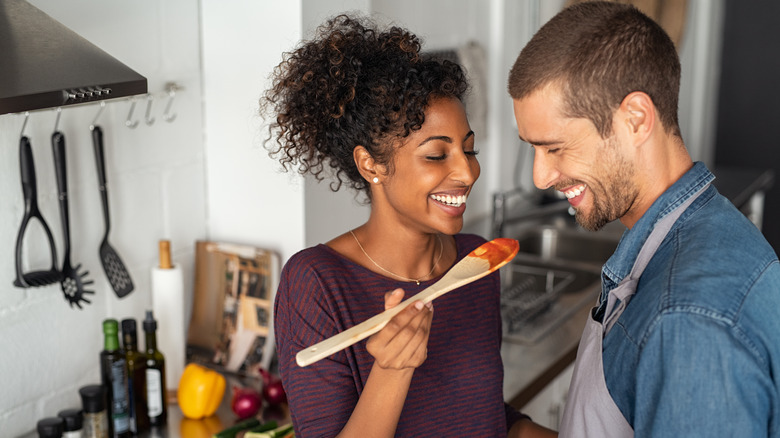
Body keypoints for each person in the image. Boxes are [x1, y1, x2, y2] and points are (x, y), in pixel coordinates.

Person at [262, 14, 553, 438]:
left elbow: (478, 413)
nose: (467, 173)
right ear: (372, 164)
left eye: (468, 150)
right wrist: (392, 370)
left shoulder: (476, 262)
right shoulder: (315, 283)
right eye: (437, 155)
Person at [508, 1, 780, 437]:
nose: (541, 177)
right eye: (532, 148)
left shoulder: (687, 322)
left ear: (635, 119)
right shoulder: (704, 228)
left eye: (555, 148)